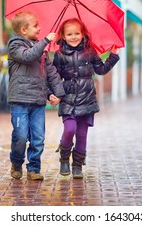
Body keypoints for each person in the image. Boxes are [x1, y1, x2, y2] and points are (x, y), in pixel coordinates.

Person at [50, 18, 119, 179]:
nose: (73, 37)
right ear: (63, 36)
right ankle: (64, 158)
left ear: (83, 34)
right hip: (68, 98)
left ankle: (77, 166)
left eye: (76, 33)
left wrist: (113, 57)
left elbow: (101, 70)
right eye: (69, 34)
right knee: (69, 129)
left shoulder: (90, 51)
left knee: (82, 135)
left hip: (87, 98)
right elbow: (54, 77)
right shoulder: (59, 55)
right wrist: (53, 93)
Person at [7, 11, 65, 180]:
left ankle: (34, 168)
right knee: (21, 135)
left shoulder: (42, 50)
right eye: (36, 25)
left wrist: (57, 93)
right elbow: (28, 56)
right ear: (24, 30)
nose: (40, 28)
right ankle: (16, 163)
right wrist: (46, 41)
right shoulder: (15, 45)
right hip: (20, 100)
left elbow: (51, 73)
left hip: (38, 100)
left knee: (38, 137)